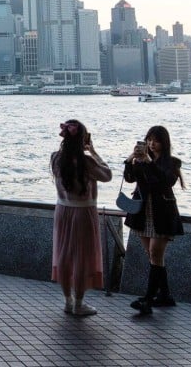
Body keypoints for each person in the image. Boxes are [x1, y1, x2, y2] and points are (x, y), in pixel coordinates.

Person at [50, 119, 111, 316]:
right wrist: (93, 151)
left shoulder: (55, 158)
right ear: (83, 139)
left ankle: (67, 300)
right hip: (84, 212)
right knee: (82, 257)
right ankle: (79, 304)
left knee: (64, 255)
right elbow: (107, 175)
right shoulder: (87, 162)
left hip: (62, 210)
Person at [124, 125, 185, 315]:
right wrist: (129, 160)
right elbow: (129, 179)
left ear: (164, 142)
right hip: (143, 213)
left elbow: (164, 182)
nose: (151, 143)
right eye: (149, 139)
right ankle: (165, 295)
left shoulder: (173, 162)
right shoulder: (142, 161)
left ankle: (148, 300)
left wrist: (149, 162)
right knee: (153, 256)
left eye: (156, 140)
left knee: (155, 253)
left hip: (163, 214)